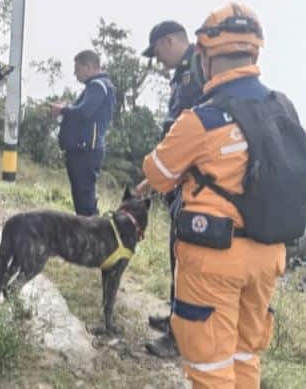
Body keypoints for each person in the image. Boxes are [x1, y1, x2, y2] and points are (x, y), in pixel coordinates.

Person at [140, 3, 287, 388]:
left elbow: (157, 173)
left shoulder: (202, 118)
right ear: (253, 52)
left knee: (210, 370)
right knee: (244, 356)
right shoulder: (283, 111)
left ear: (204, 57)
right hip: (268, 257)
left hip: (215, 259)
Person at [138, 20, 205, 359]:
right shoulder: (184, 72)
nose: (158, 60)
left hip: (195, 183)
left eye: (157, 52)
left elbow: (195, 128)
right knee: (176, 253)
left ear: (168, 41)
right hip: (179, 179)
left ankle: (180, 337)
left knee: (187, 257)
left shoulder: (199, 66)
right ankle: (176, 317)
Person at [50, 50, 115, 216]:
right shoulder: (96, 87)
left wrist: (63, 109)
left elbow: (84, 111)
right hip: (82, 150)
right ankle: (87, 236)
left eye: (77, 69)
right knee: (82, 199)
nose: (75, 74)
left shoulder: (98, 86)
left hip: (85, 151)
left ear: (88, 67)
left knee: (85, 203)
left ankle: (92, 238)